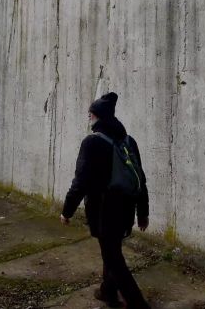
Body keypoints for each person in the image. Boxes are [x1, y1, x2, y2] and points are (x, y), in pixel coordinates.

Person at [60, 92, 151, 309]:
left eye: (90, 114)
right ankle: (108, 292)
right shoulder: (129, 141)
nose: (88, 118)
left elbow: (80, 181)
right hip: (126, 208)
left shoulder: (92, 142)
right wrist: (143, 212)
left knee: (113, 258)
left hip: (104, 211)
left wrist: (67, 211)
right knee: (111, 251)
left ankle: (138, 304)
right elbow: (140, 178)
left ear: (96, 116)